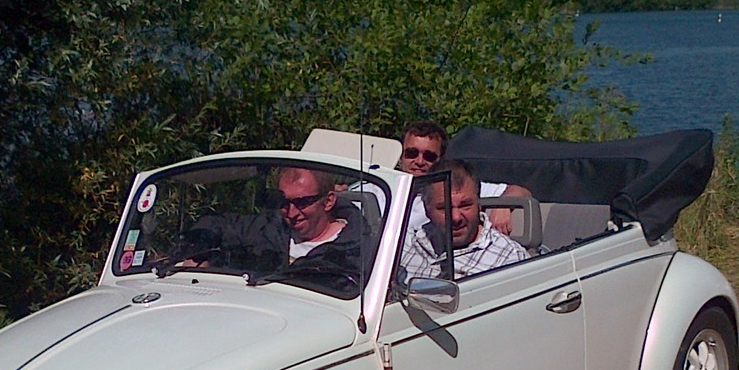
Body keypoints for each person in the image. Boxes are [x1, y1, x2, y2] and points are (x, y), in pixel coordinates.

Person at [180, 166, 370, 276]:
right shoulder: (269, 227)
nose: (292, 213)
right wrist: (198, 249)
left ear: (328, 201)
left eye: (302, 203)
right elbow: (218, 223)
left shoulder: (357, 251)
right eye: (283, 202)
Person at [400, 159, 529, 281]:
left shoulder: (509, 260)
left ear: (479, 205)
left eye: (465, 205)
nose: (456, 217)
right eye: (444, 208)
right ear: (427, 210)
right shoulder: (405, 244)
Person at [400, 121, 532, 235]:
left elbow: (521, 191)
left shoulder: (456, 188)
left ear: (441, 159)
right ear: (401, 156)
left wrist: (503, 206)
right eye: (411, 153)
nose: (419, 161)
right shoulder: (388, 189)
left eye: (429, 156)